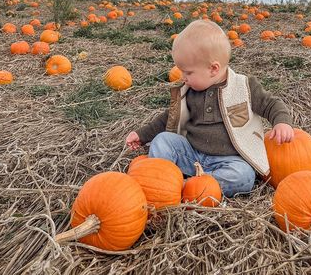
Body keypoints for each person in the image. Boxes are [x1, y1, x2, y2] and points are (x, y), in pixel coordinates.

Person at [125, 19, 293, 197]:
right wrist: (142, 135)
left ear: (213, 69)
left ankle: (189, 185)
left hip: (229, 160)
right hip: (192, 153)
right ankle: (161, 182)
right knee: (163, 140)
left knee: (244, 176)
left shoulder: (244, 87)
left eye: (188, 72)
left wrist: (282, 122)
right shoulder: (189, 92)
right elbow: (169, 117)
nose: (183, 77)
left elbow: (271, 103)